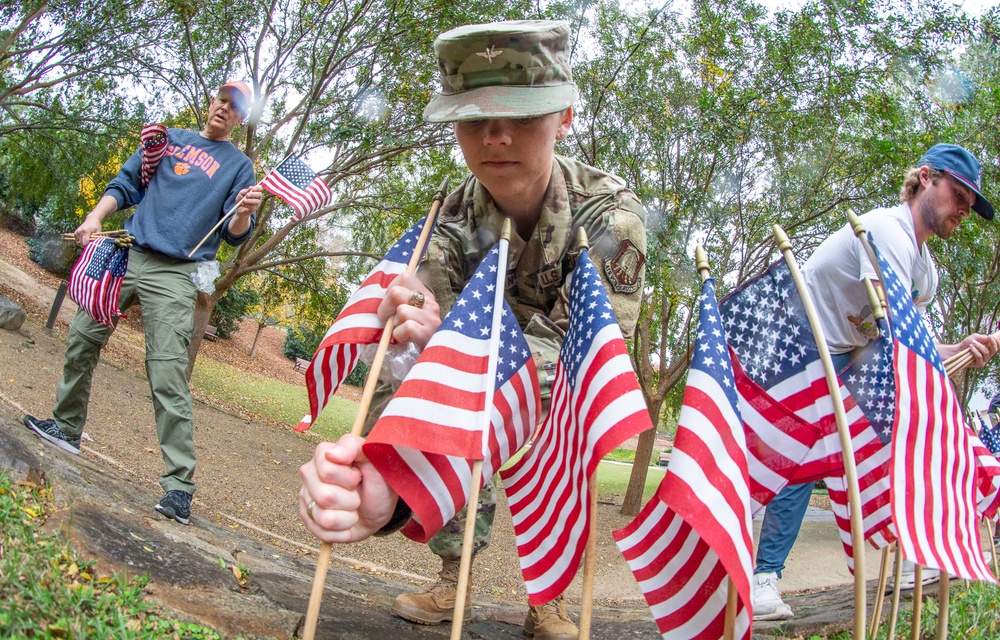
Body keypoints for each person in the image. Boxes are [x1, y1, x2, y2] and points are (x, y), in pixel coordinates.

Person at [299, 20, 646, 640]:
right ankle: (453, 574)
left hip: (563, 375)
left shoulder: (609, 215)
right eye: (473, 117)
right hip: (480, 358)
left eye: (522, 114)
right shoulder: (453, 208)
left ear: (564, 115)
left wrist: (463, 349)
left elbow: (584, 356)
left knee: (567, 430)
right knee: (422, 360)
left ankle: (550, 598)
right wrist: (387, 478)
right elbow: (414, 321)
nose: (495, 136)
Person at [751, 143, 1000, 620]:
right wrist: (931, 358)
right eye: (959, 192)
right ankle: (763, 579)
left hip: (849, 353)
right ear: (925, 178)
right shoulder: (886, 229)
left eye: (973, 203)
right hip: (797, 343)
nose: (966, 208)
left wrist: (963, 349)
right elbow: (895, 336)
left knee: (893, 432)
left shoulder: (925, 271)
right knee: (803, 451)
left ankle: (903, 548)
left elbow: (910, 345)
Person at [23, 81, 263, 526]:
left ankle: (178, 487)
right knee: (82, 337)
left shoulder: (239, 167)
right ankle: (66, 428)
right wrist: (96, 216)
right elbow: (128, 183)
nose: (225, 110)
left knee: (168, 371)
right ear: (212, 102)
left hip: (176, 273)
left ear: (240, 119)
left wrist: (246, 211)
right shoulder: (169, 140)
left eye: (235, 109)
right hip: (127, 252)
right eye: (221, 101)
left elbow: (232, 234)